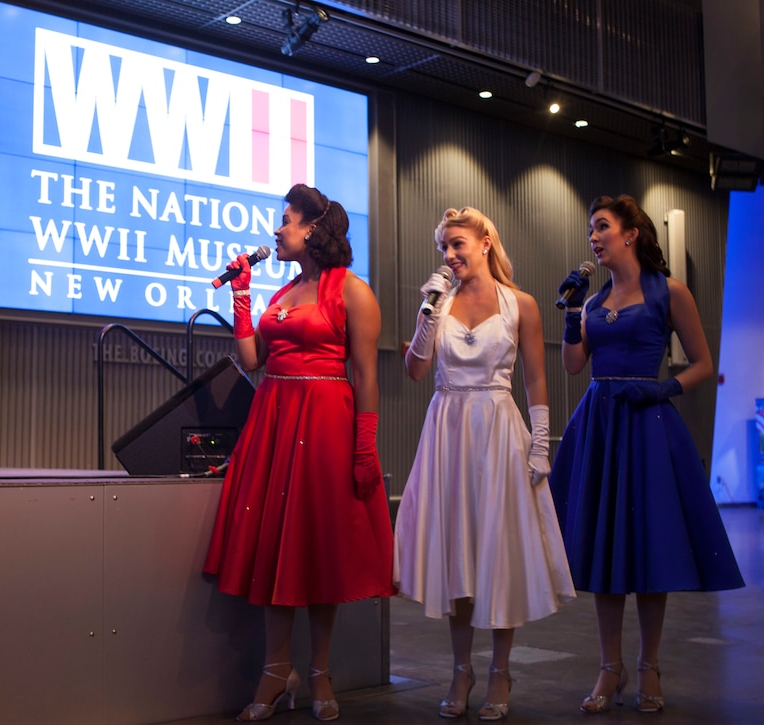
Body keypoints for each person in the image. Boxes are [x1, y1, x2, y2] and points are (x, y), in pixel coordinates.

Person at [203, 184, 395, 722]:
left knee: (317, 548)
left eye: (285, 220)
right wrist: (241, 297)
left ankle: (319, 672)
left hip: (327, 424)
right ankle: (275, 670)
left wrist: (365, 447)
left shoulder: (352, 291)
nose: (276, 229)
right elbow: (251, 361)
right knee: (275, 549)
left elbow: (367, 376)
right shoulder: (280, 295)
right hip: (274, 423)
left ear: (313, 228)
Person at [549, 194, 744, 714]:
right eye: (591, 230)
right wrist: (572, 311)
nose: (593, 237)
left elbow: (703, 363)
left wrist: (662, 391)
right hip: (600, 421)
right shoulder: (592, 301)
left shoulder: (669, 292)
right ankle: (608, 668)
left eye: (602, 227)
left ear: (631, 232)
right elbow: (573, 366)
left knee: (648, 546)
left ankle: (648, 666)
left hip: (648, 421)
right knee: (605, 547)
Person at [393, 207, 576, 721]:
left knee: (496, 550)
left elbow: (537, 379)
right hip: (448, 427)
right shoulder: (438, 300)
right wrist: (427, 313)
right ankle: (460, 669)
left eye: (457, 244)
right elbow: (414, 370)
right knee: (458, 552)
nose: (450, 255)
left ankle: (499, 670)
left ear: (485, 243)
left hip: (498, 428)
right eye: (443, 248)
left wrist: (541, 442)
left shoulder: (521, 304)